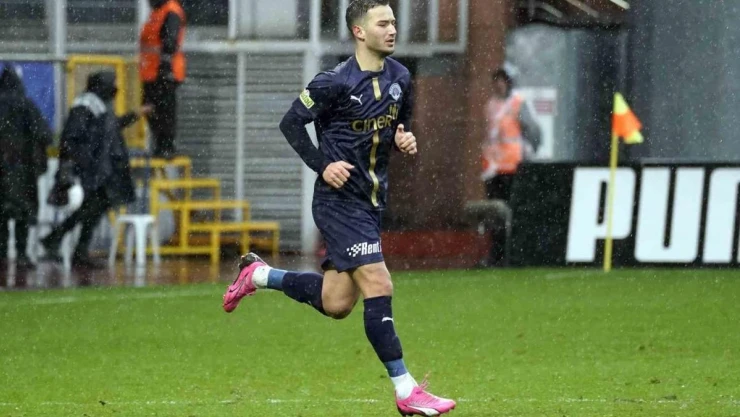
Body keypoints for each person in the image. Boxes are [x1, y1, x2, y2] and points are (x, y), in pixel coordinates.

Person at [222, 1, 456, 415]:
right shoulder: (332, 83)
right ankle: (405, 390)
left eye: (393, 22)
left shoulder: (401, 77)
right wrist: (323, 165)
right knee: (379, 283)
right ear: (358, 32)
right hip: (338, 202)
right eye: (382, 23)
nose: (392, 29)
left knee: (336, 302)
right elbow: (291, 123)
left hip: (370, 202)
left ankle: (257, 275)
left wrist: (403, 139)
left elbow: (397, 128)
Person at [42, 71, 149, 269]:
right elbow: (72, 136)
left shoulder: (99, 103)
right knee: (91, 207)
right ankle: (64, 242)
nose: (115, 88)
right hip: (88, 169)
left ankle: (66, 243)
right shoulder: (86, 104)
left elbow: (111, 127)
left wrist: (134, 115)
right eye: (112, 83)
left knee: (95, 207)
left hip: (100, 170)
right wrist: (75, 164)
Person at [479, 65, 541, 267]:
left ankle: (510, 254)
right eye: (496, 80)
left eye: (503, 80)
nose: (499, 84)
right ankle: (495, 255)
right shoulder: (490, 106)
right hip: (493, 168)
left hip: (512, 167)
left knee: (509, 212)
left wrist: (529, 155)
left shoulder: (517, 103)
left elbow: (533, 131)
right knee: (494, 214)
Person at [0, 66, 53, 269]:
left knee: (2, 216)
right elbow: (44, 134)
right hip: (23, 171)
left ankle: (2, 256)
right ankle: (21, 254)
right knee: (22, 214)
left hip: (2, 171)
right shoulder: (26, 105)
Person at [139, 0, 186, 159]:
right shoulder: (157, 11)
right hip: (151, 72)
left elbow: (170, 41)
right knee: (151, 109)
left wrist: (165, 67)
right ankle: (161, 144)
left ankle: (166, 146)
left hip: (164, 71)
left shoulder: (170, 11)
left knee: (164, 110)